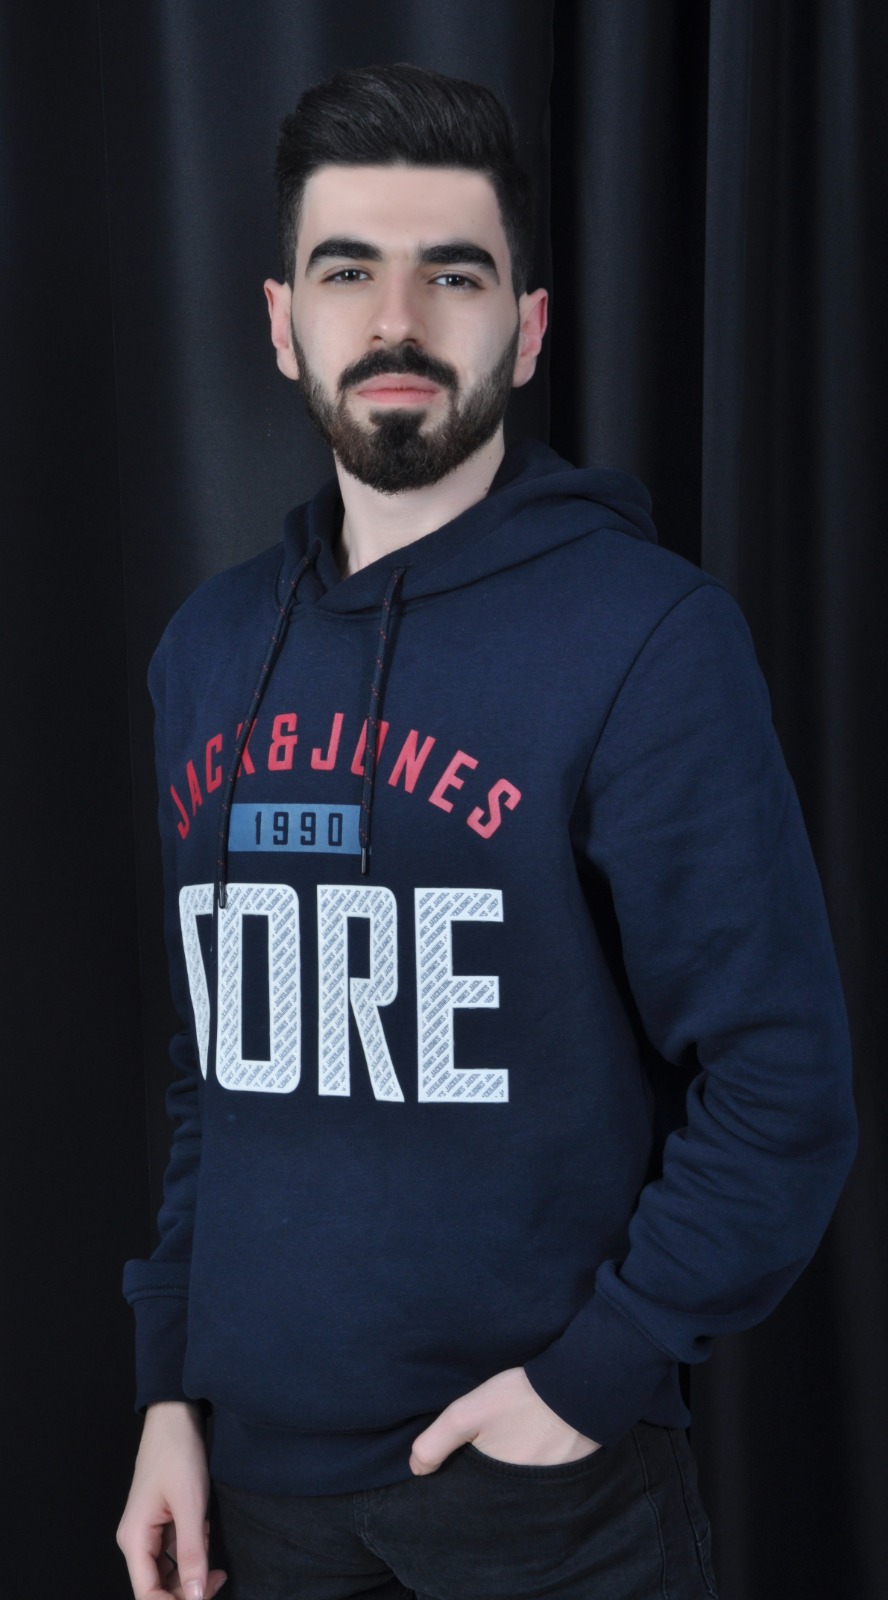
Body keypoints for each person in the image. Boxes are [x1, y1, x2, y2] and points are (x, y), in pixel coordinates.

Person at [117, 62, 856, 1600]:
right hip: (254, 1500)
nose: (397, 321)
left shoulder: (649, 637)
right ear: (281, 324)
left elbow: (782, 1079)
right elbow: (216, 1071)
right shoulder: (207, 651)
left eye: (452, 275)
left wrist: (597, 1375)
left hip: (548, 1509)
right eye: (348, 273)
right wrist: (169, 1388)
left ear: (525, 328)